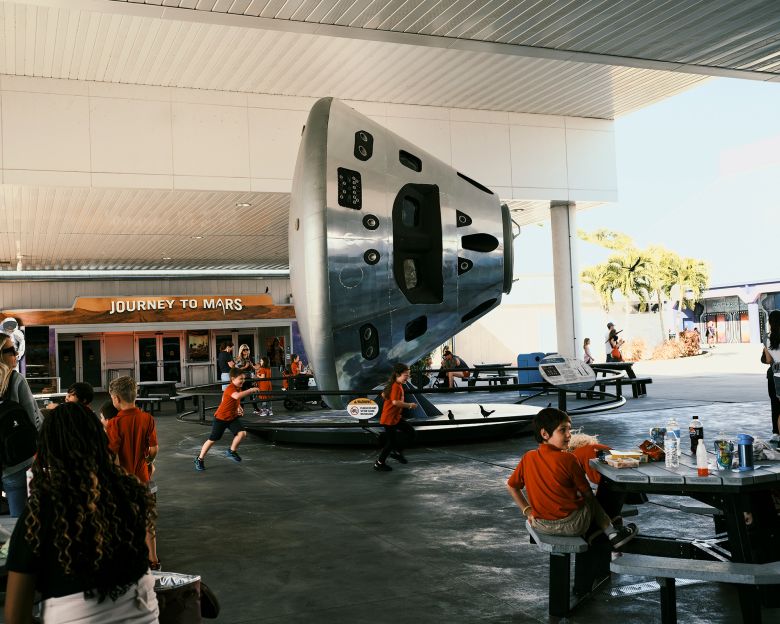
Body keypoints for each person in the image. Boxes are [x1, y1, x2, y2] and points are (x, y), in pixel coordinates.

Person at [4, 402, 159, 624]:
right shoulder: (131, 493)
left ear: (49, 449)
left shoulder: (40, 514)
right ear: (100, 441)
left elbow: (15, 617)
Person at [506, 407, 637, 548]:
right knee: (605, 489)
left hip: (541, 525)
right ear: (544, 434)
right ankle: (612, 533)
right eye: (563, 430)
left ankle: (603, 531)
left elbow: (512, 486)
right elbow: (588, 495)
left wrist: (527, 510)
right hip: (574, 526)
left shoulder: (528, 457)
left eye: (569, 429)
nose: (569, 435)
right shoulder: (568, 459)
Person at [105, 376, 160, 571]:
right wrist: (147, 463)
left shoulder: (114, 424)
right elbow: (154, 450)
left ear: (117, 399)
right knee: (147, 521)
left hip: (124, 483)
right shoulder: (147, 419)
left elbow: (113, 456)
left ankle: (129, 561)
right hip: (144, 479)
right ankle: (153, 560)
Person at [0, 335, 43, 516]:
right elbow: (33, 421)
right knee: (19, 521)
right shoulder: (16, 380)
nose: (16, 354)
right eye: (10, 350)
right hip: (15, 462)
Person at [194, 367, 260, 471]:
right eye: (240, 379)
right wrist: (251, 390)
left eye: (244, 378)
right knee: (212, 440)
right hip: (221, 418)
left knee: (242, 433)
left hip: (232, 418)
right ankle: (199, 459)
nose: (243, 381)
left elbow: (229, 399)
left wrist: (238, 408)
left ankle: (231, 451)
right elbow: (237, 396)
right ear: (233, 379)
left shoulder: (238, 388)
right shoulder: (230, 388)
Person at [373, 363, 418, 472]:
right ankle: (379, 463)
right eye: (405, 375)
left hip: (395, 418)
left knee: (410, 432)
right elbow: (395, 402)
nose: (407, 377)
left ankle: (397, 452)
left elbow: (384, 395)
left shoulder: (394, 385)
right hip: (389, 419)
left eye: (408, 375)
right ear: (398, 374)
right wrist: (409, 405)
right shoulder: (396, 386)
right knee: (391, 442)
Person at [761, 310, 780, 440]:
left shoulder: (767, 338)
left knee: (775, 404)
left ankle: (776, 432)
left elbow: (767, 360)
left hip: (775, 374)